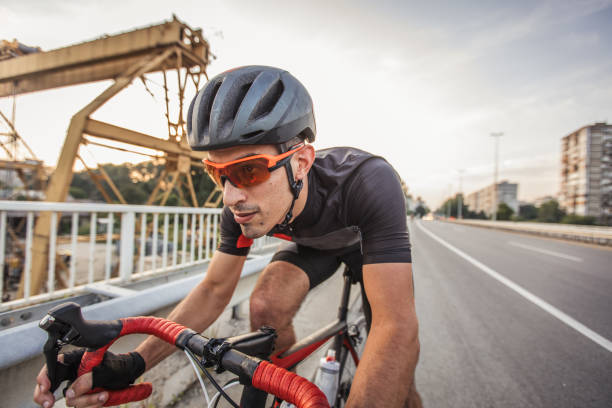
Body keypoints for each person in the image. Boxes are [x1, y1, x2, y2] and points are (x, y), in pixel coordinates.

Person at [34, 65, 421, 408]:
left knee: (398, 377)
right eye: (217, 173)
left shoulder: (368, 181)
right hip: (310, 247)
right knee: (265, 306)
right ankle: (290, 389)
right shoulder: (238, 203)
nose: (231, 196)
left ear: (301, 162)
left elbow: (396, 327)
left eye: (249, 171)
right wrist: (133, 363)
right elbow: (215, 290)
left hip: (361, 246)